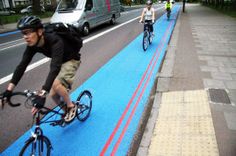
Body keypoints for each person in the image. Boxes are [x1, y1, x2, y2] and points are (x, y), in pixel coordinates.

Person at [1, 16, 82, 122]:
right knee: (53, 95)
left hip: (71, 60)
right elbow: (22, 66)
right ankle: (66, 110)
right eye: (23, 33)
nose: (25, 37)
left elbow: (55, 67)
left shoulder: (55, 40)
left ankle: (71, 106)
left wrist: (43, 93)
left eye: (28, 32)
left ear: (39, 32)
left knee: (55, 85)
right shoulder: (32, 46)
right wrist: (8, 90)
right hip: (59, 61)